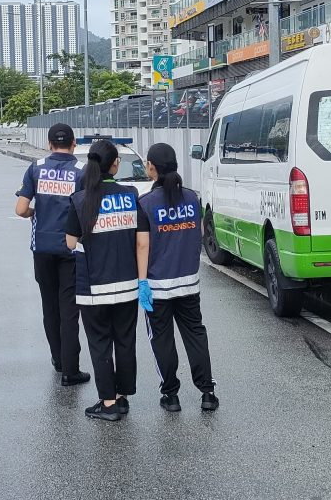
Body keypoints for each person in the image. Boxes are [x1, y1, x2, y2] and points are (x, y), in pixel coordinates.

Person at [65, 139, 149, 422]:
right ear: (115, 165)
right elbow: (141, 243)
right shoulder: (130, 194)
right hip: (127, 283)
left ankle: (108, 403)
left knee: (100, 342)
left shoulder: (80, 199)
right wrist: (142, 280)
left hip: (93, 288)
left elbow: (69, 242)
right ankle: (123, 397)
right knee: (125, 340)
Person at [138, 143, 219, 412]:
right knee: (196, 334)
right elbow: (196, 236)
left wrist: (141, 283)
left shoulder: (146, 204)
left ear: (151, 167)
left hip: (157, 287)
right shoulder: (192, 198)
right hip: (189, 283)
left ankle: (171, 395)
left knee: (161, 339)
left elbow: (142, 246)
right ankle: (207, 392)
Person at [15, 123, 90, 386]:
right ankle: (71, 370)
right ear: (74, 144)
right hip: (71, 249)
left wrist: (34, 214)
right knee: (69, 309)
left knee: (50, 306)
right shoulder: (82, 171)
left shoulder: (36, 168)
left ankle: (57, 359)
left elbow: (21, 208)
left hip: (42, 248)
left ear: (49, 144)